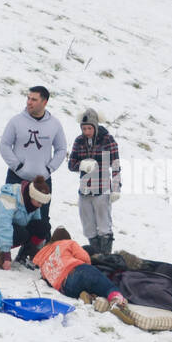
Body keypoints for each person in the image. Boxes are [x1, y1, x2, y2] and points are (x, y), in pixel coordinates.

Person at [0, 86, 66, 263]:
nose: (29, 102)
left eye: (34, 99)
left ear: (44, 102)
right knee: (9, 214)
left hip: (42, 180)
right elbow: (4, 145)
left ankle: (27, 254)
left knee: (41, 218)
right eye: (28, 98)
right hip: (17, 177)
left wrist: (49, 169)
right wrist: (17, 166)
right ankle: (1, 250)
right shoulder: (16, 121)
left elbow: (61, 149)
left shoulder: (54, 124)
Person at [67, 107, 121, 255]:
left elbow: (115, 164)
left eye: (89, 128)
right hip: (84, 190)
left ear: (95, 127)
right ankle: (96, 255)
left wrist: (116, 188)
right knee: (88, 227)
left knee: (104, 227)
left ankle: (106, 257)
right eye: (84, 128)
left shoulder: (107, 140)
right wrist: (81, 165)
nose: (86, 131)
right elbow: (71, 164)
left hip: (102, 189)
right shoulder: (79, 141)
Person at [33, 227, 126, 312]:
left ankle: (86, 295)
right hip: (76, 271)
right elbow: (85, 258)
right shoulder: (68, 243)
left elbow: (47, 279)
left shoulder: (43, 257)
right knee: (107, 286)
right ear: (67, 238)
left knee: (87, 285)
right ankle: (116, 299)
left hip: (66, 288)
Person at [0, 177, 50, 270]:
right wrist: (6, 254)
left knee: (43, 227)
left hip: (13, 227)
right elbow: (3, 224)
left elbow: (37, 224)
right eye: (39, 202)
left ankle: (24, 255)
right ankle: (0, 250)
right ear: (32, 196)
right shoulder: (10, 198)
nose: (40, 206)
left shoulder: (33, 202)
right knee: (22, 234)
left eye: (42, 203)